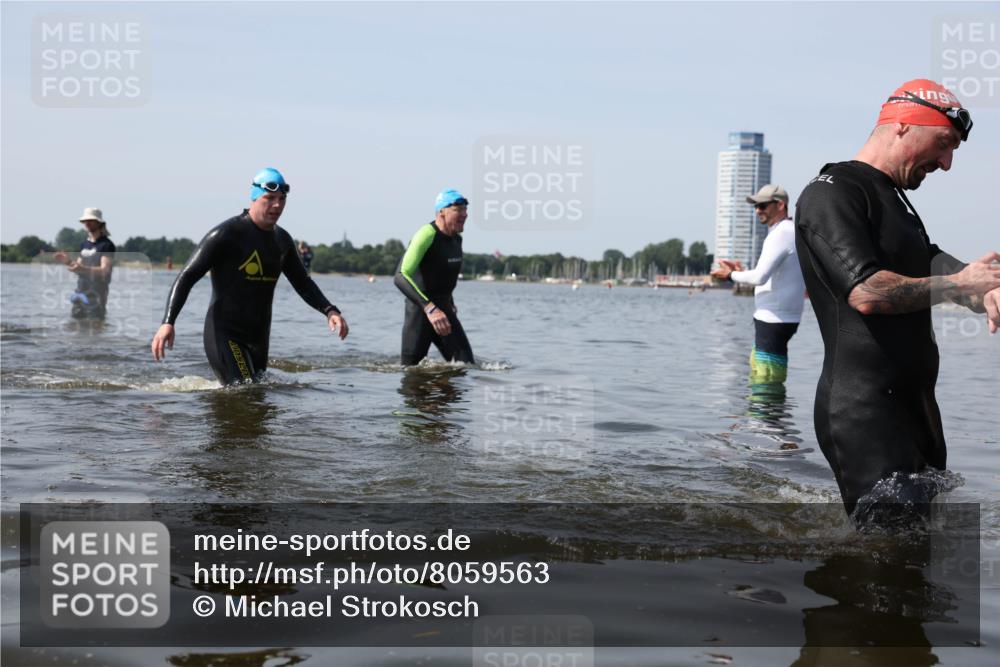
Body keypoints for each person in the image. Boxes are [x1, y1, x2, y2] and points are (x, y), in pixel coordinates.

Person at [795, 79, 1000, 522]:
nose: (946, 163)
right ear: (903, 125)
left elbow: (929, 263)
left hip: (916, 411)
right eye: (944, 144)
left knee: (919, 554)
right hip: (864, 413)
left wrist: (986, 290)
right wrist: (961, 284)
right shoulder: (832, 192)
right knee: (883, 568)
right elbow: (866, 291)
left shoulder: (896, 200)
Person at [150, 168, 349, 385]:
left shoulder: (282, 241)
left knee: (256, 397)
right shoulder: (226, 235)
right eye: (270, 198)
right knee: (246, 390)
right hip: (226, 334)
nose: (277, 205)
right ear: (254, 197)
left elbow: (303, 283)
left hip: (259, 338)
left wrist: (330, 310)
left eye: (282, 199)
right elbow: (186, 277)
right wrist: (168, 322)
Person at [712, 184, 806, 383]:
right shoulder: (787, 231)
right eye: (756, 206)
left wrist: (731, 276)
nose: (757, 210)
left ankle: (766, 414)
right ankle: (765, 413)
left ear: (780, 205)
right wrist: (740, 271)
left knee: (765, 380)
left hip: (774, 319)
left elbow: (759, 278)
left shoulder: (781, 233)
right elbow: (772, 275)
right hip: (779, 318)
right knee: (762, 374)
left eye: (763, 205)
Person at [394, 188, 475, 366]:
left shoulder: (456, 240)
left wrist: (450, 303)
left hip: (444, 313)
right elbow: (400, 275)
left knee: (466, 367)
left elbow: (442, 275)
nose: (465, 214)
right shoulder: (426, 235)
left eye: (465, 209)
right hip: (421, 315)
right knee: (412, 375)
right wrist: (429, 308)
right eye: (458, 209)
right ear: (442, 212)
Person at [53, 207, 116, 320]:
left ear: (99, 222)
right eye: (85, 220)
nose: (87, 223)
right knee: (76, 330)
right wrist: (67, 261)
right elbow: (78, 267)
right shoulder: (84, 244)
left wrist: (82, 268)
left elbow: (104, 271)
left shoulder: (106, 245)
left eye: (90, 220)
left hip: (96, 296)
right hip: (80, 293)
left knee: (95, 331)